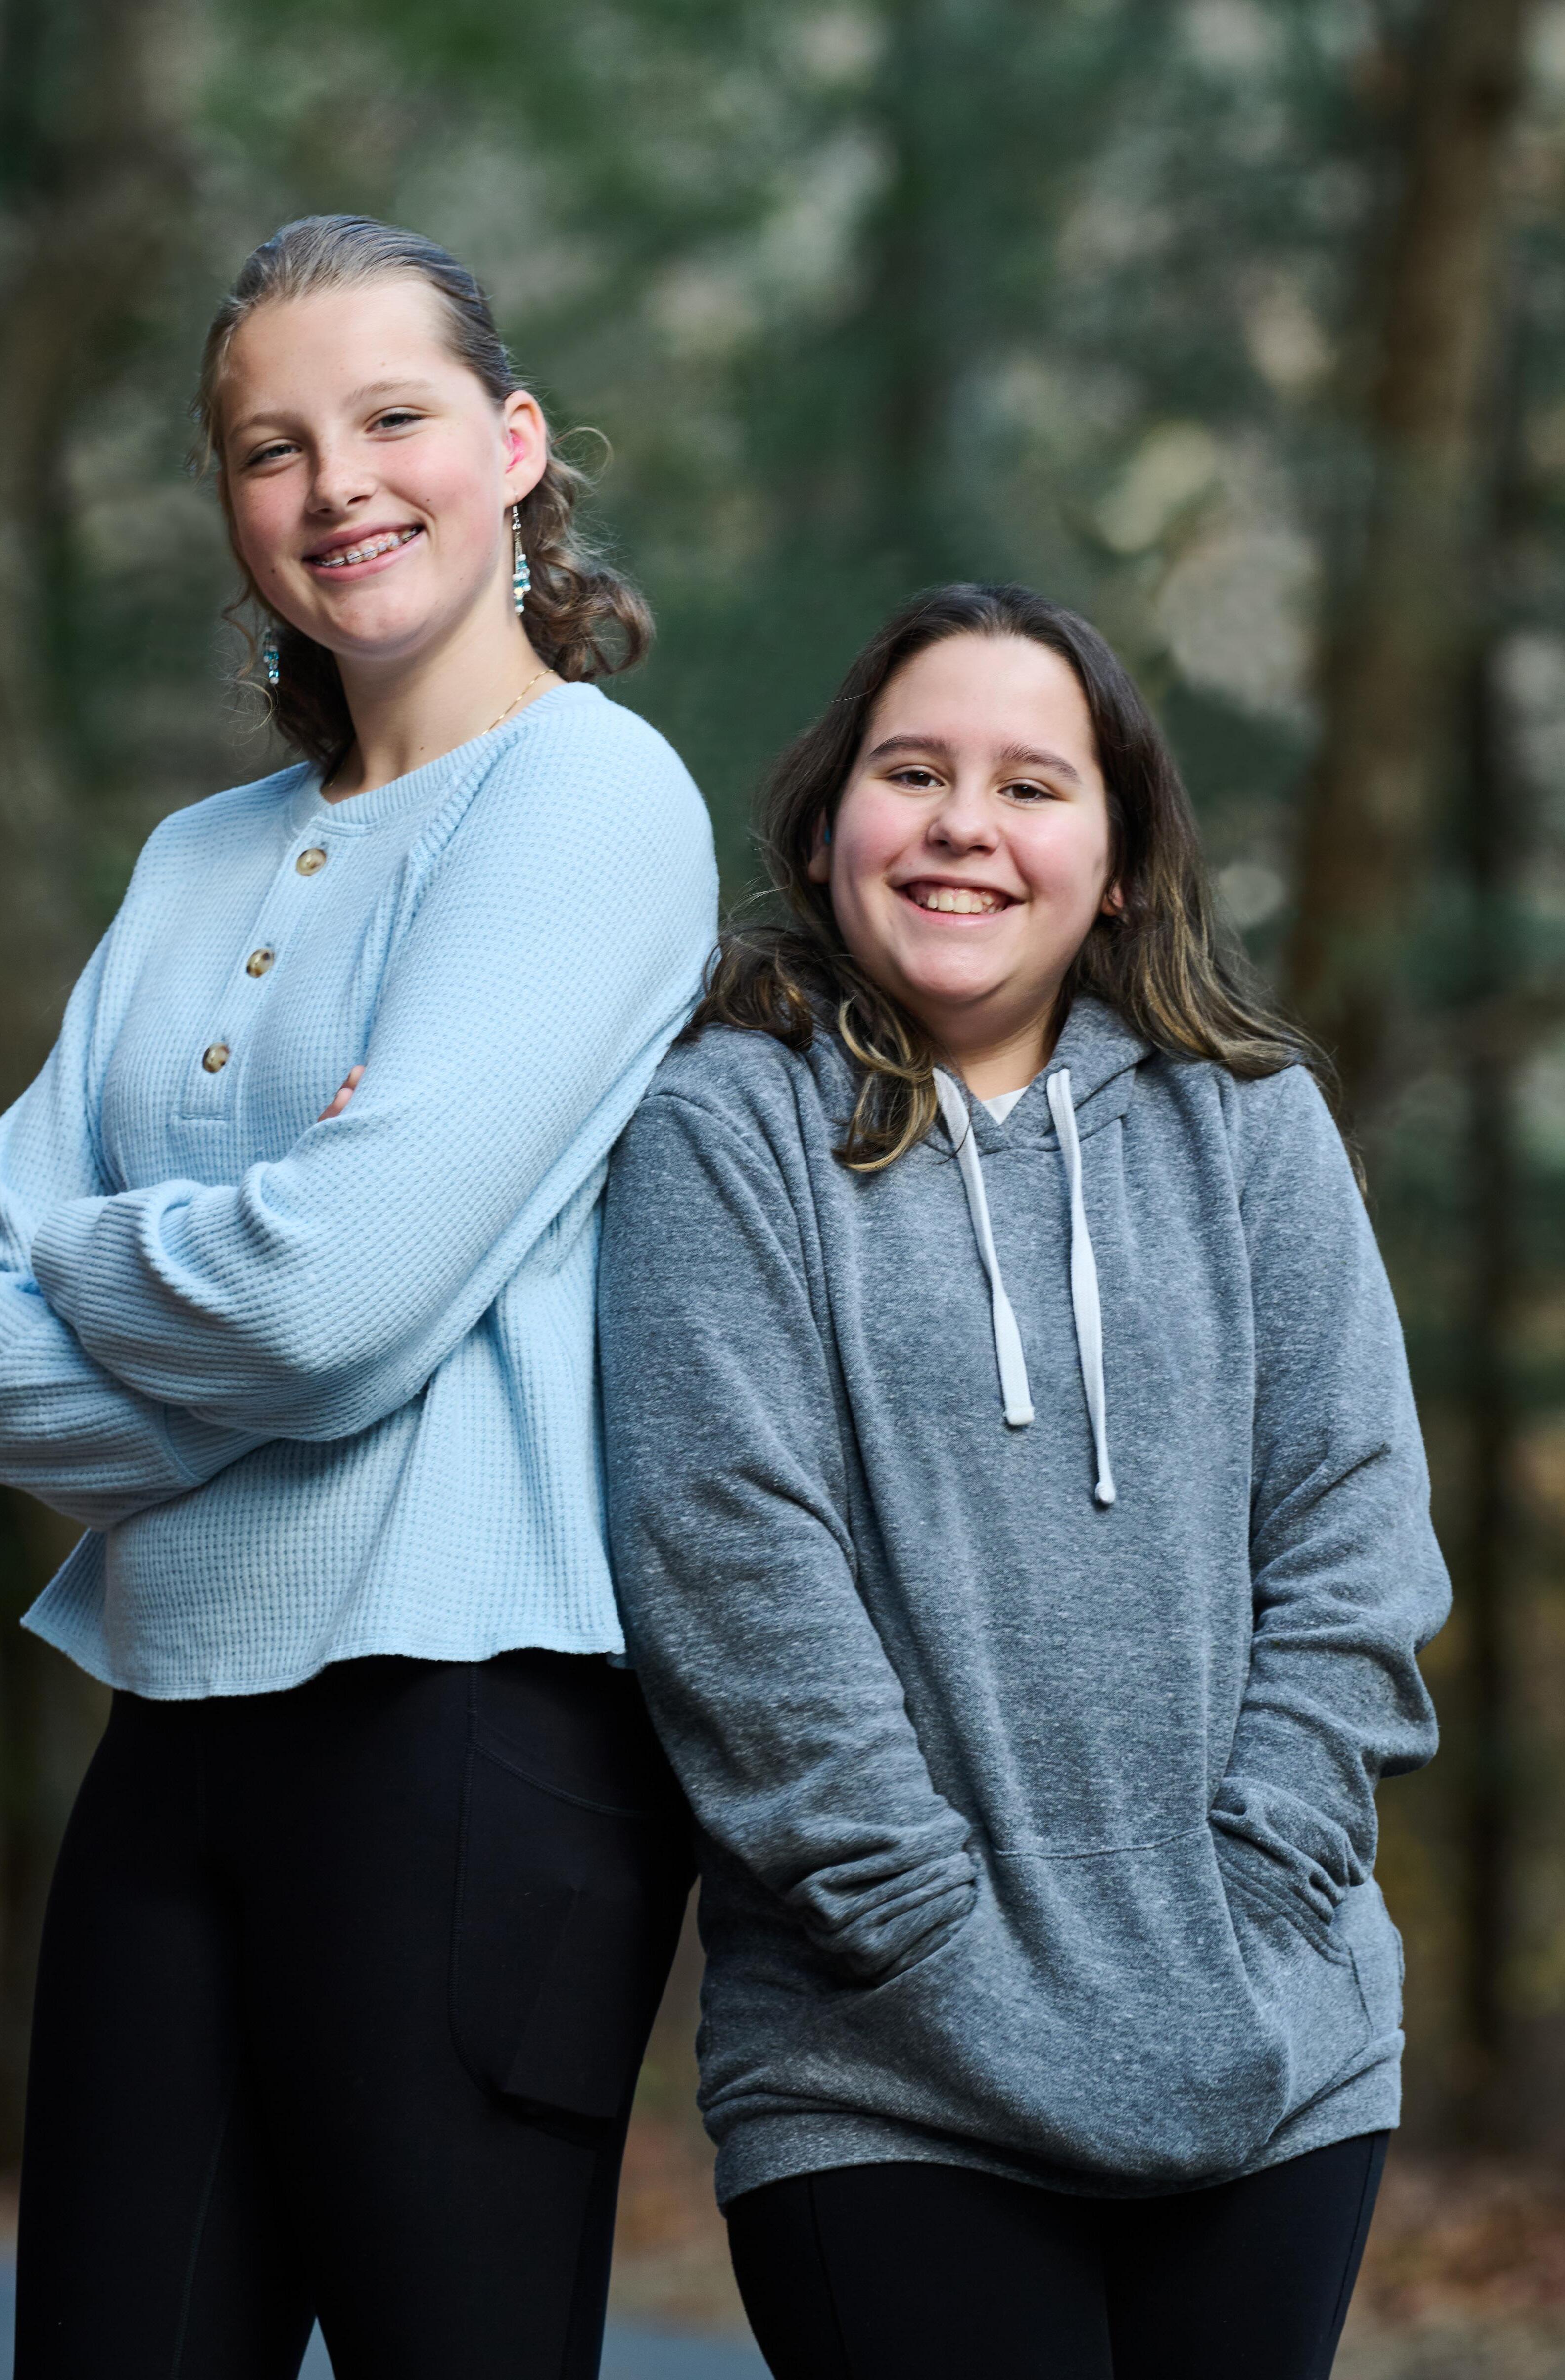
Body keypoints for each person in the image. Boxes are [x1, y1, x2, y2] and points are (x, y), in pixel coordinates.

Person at [0, 214, 715, 2380]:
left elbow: (325, 1304)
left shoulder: (587, 796)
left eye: (391, 419)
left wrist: (103, 1256)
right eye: (271, 448)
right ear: (229, 503)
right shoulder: (193, 859)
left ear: (515, 446)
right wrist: (263, 1265)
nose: (335, 485)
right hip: (169, 1728)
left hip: (470, 1738)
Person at [597, 582, 1448, 2380]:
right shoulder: (724, 1127)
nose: (963, 824)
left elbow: (1356, 1537)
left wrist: (1262, 1885)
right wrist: (923, 1940)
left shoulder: (1250, 1120)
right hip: (881, 2066)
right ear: (825, 830)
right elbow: (729, 1573)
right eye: (912, 773)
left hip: (1274, 2039)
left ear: (1118, 861)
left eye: (1031, 785)